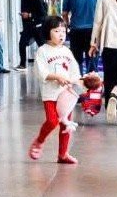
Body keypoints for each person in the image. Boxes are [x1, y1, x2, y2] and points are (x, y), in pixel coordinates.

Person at [28, 19, 83, 164]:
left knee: (66, 124)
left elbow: (74, 71)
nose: (61, 35)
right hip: (50, 94)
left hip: (66, 94)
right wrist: (56, 77)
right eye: (57, 31)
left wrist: (74, 81)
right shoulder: (42, 51)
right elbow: (41, 72)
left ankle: (63, 154)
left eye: (63, 31)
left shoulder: (66, 51)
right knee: (52, 121)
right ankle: (39, 141)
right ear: (48, 32)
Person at [60, 0, 102, 68]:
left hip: (76, 31)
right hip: (93, 32)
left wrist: (68, 24)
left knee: (76, 62)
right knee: (92, 61)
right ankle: (91, 81)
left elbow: (64, 13)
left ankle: (77, 81)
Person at [17, 0, 46, 68]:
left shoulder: (37, 0)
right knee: (21, 44)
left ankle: (46, 63)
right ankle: (22, 64)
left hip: (37, 27)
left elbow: (43, 15)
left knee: (42, 46)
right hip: (27, 27)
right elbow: (23, 12)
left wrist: (29, 15)